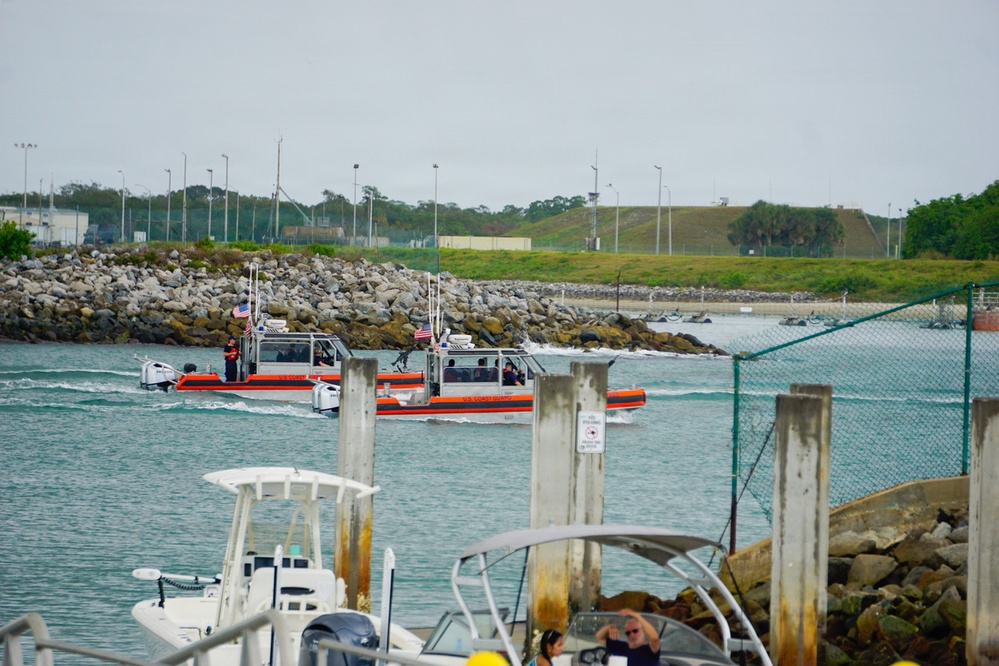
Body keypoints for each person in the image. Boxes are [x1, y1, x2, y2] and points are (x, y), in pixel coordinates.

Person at [596, 609, 660, 666]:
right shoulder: (621, 647)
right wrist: (609, 627)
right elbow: (599, 637)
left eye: (635, 631)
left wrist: (636, 615)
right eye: (628, 633)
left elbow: (655, 638)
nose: (632, 635)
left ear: (644, 630)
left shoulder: (650, 649)